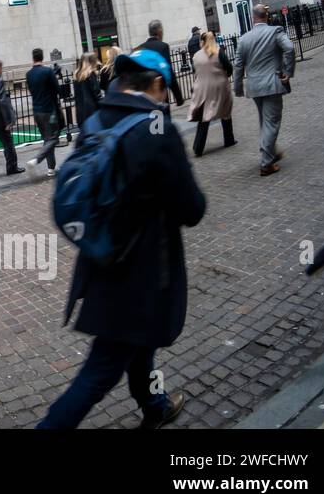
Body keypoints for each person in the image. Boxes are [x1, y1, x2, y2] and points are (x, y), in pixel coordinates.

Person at [39, 50, 205, 429]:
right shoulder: (156, 128)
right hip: (140, 269)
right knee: (101, 369)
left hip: (101, 257)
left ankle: (154, 404)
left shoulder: (97, 119)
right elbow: (192, 209)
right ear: (158, 84)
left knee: (139, 341)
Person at [232, 4, 296, 177]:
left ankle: (271, 151)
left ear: (253, 18)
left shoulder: (244, 39)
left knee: (265, 120)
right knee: (271, 121)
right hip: (272, 84)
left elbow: (238, 66)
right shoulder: (275, 31)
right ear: (266, 17)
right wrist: (288, 72)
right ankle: (266, 163)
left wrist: (237, 87)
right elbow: (289, 48)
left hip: (254, 87)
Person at [188, 31, 236, 158]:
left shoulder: (196, 56)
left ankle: (198, 147)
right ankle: (229, 139)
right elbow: (229, 67)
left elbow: (195, 71)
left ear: (202, 41)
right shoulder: (219, 52)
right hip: (220, 87)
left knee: (204, 117)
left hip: (202, 89)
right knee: (226, 112)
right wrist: (224, 75)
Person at [25, 48, 61, 180]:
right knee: (53, 138)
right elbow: (57, 89)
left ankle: (51, 168)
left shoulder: (29, 74)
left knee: (47, 139)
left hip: (36, 110)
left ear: (33, 57)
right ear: (42, 56)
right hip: (49, 109)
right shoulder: (47, 71)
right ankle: (36, 159)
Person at [138, 20, 185, 107]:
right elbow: (168, 71)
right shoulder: (162, 46)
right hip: (160, 92)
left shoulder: (141, 48)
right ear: (159, 31)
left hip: (146, 95)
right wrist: (178, 97)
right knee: (162, 117)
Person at [73, 54, 103, 144]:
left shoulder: (77, 75)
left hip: (81, 112)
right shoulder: (91, 74)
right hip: (92, 111)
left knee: (87, 139)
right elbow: (96, 94)